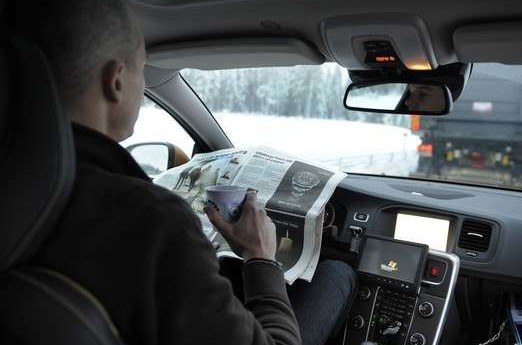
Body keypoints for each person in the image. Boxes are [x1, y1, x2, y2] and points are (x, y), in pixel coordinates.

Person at [15, 1, 355, 345]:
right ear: (115, 82)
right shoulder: (152, 223)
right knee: (336, 274)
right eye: (142, 69)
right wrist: (260, 256)